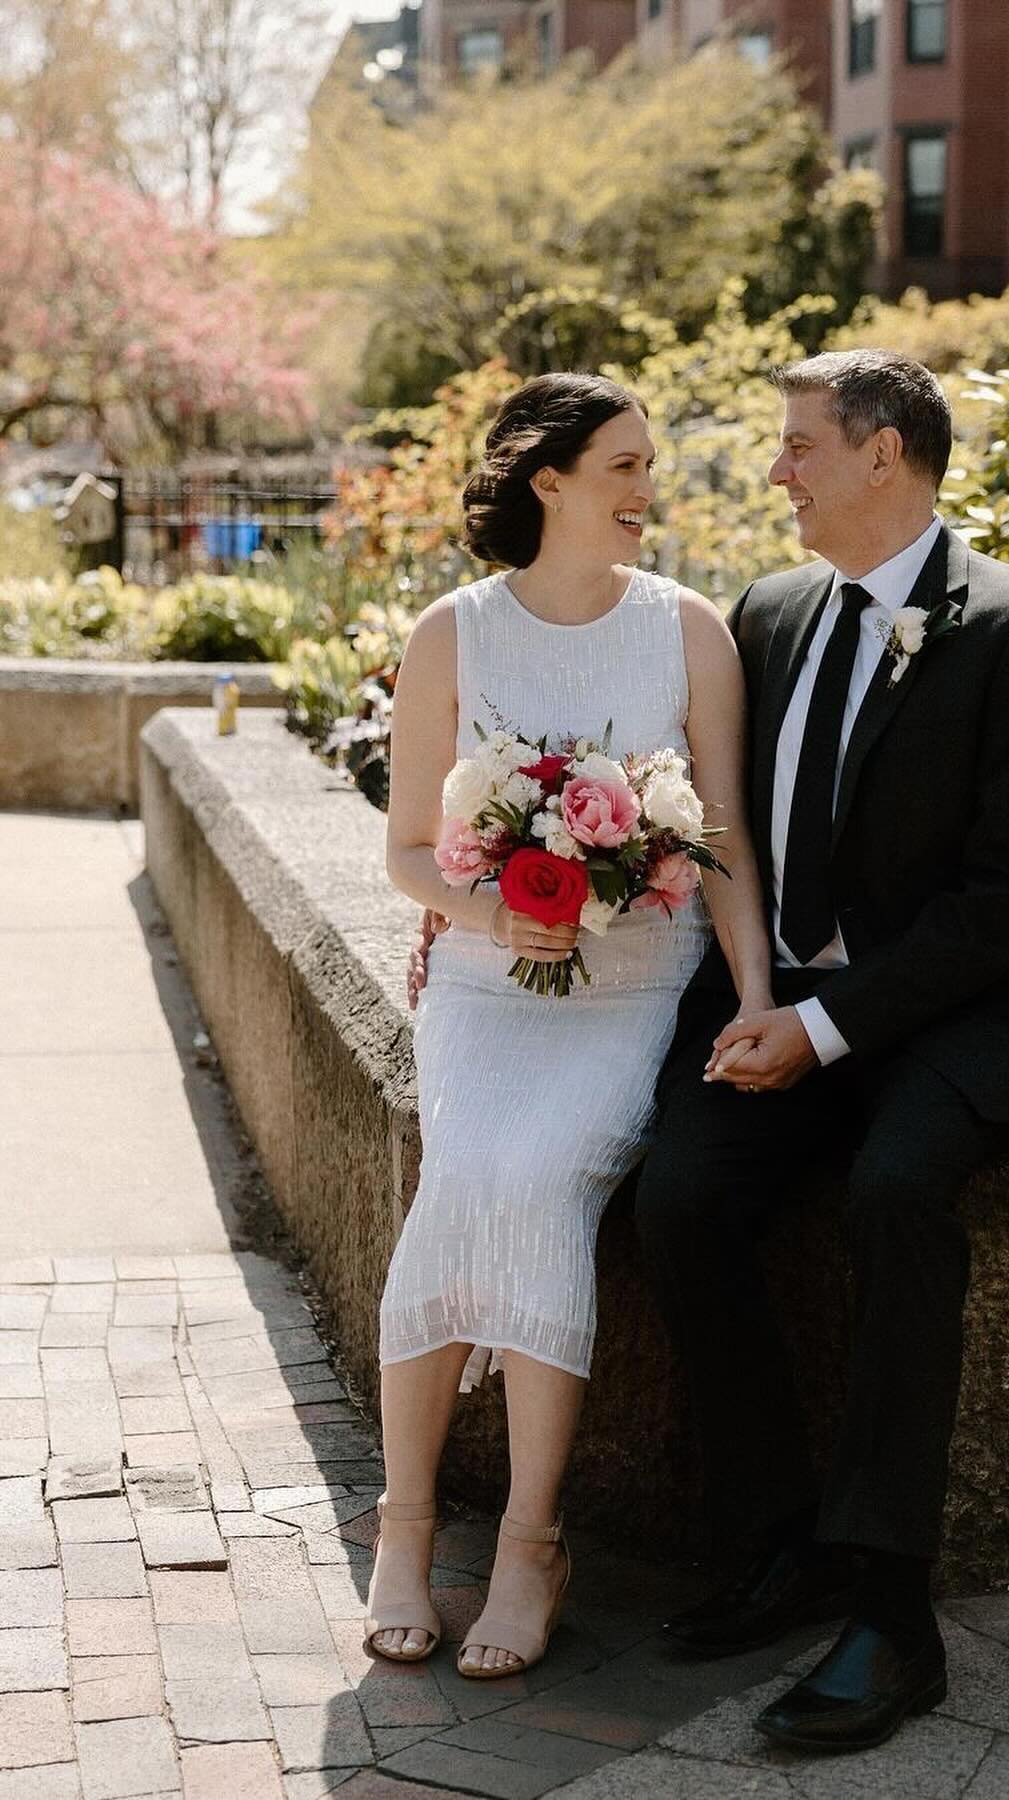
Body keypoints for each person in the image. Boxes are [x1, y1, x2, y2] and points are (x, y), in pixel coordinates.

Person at [408, 348, 1009, 1749]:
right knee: (684, 1193)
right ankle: (781, 1534)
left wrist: (824, 1027)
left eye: (797, 447)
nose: (773, 471)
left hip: (961, 1019)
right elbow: (706, 823)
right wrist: (489, 913)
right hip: (782, 1005)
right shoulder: (769, 615)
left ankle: (893, 1609)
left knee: (898, 1193)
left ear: (884, 455)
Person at [371, 372, 774, 1678]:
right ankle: (406, 1524)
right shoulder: (452, 634)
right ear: (549, 480)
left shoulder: (689, 632)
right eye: (624, 465)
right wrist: (496, 921)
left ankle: (533, 1544)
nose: (650, 488)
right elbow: (408, 855)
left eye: (649, 462)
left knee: (539, 1182)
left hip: (630, 988)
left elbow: (720, 840)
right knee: (460, 1183)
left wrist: (758, 998)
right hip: (490, 982)